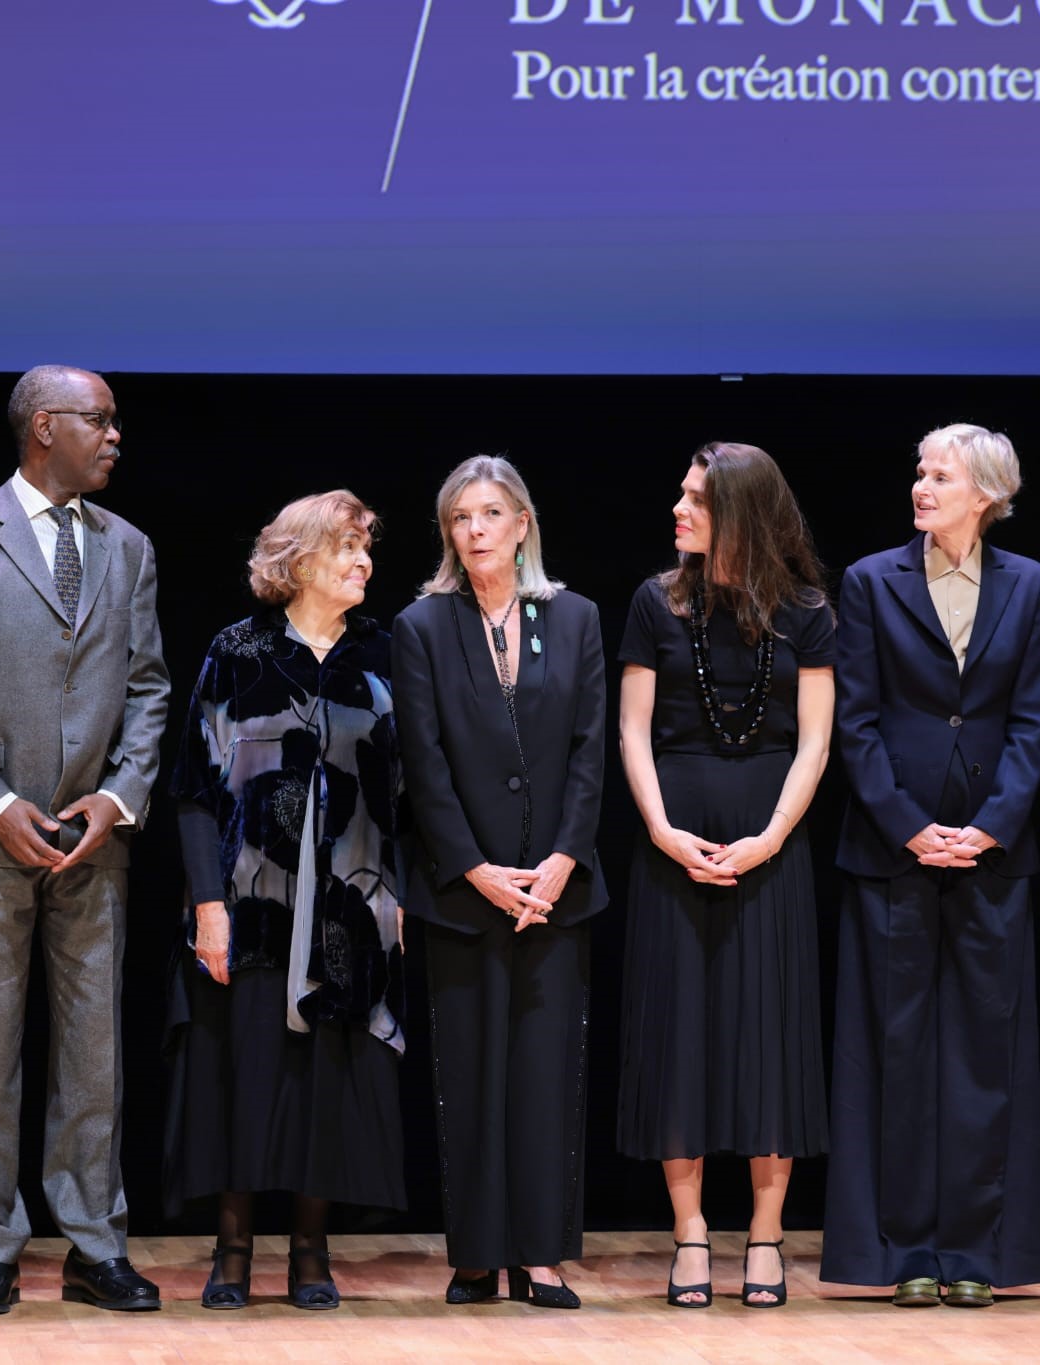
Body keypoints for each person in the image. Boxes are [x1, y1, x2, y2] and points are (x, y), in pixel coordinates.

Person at [0, 365, 170, 1315]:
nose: (116, 436)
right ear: (45, 426)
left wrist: (118, 798)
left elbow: (149, 686)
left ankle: (95, 1244)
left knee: (94, 1052)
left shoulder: (128, 546)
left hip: (92, 840)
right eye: (101, 420)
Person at [819, 424, 1040, 1308]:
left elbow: (1033, 719)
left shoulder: (1030, 583)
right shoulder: (870, 579)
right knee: (897, 1052)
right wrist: (908, 825)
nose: (921, 487)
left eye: (941, 476)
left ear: (986, 494)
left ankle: (978, 1251)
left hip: (993, 853)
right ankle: (904, 1251)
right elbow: (856, 720)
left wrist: (992, 826)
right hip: (894, 850)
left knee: (985, 1056)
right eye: (919, 472)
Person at [165, 490, 405, 1312]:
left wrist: (400, 896)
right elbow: (194, 790)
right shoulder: (236, 650)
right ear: (299, 560)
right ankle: (232, 1250)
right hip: (252, 901)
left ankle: (311, 1250)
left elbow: (408, 791)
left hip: (352, 906)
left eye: (367, 547)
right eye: (347, 547)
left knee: (325, 1079)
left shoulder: (382, 655)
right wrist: (207, 906)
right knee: (245, 1070)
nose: (364, 561)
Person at [614, 442, 834, 1310]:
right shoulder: (656, 601)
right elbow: (633, 729)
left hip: (769, 842)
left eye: (696, 498)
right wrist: (661, 829)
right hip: (675, 839)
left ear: (740, 511)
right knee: (681, 1034)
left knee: (768, 1032)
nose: (678, 508)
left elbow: (815, 740)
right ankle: (691, 1231)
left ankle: (767, 1233)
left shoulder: (807, 609)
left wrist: (773, 834)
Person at [391, 455, 607, 1311]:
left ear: (522, 524)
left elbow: (590, 749)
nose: (474, 530)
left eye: (489, 514)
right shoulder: (422, 625)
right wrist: (475, 868)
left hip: (556, 888)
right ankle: (479, 1254)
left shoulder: (577, 617)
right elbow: (423, 762)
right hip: (463, 890)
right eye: (459, 517)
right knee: (473, 1074)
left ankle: (542, 1256)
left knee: (548, 1074)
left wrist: (564, 857)